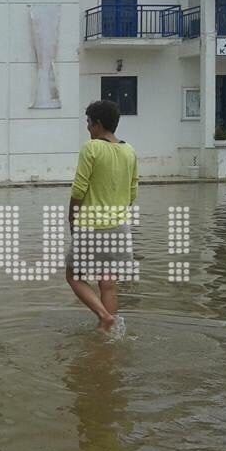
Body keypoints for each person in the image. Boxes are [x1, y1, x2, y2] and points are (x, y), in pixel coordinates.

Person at [66, 100, 138, 331]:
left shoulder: (92, 148)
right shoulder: (129, 151)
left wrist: (72, 217)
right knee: (108, 282)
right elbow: (132, 191)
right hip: (120, 226)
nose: (87, 128)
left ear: (97, 125)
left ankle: (104, 316)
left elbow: (79, 189)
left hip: (90, 225)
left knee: (73, 276)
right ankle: (110, 332)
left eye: (88, 123)